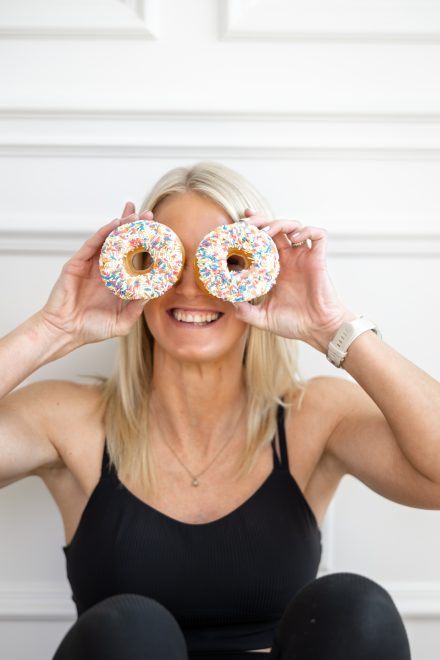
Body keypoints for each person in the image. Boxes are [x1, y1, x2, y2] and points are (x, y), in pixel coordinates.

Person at [1, 161, 439, 660]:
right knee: (131, 629)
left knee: (354, 609)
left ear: (261, 274)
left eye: (224, 263)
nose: (191, 287)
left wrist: (330, 326)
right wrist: (52, 328)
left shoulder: (313, 416)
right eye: (164, 260)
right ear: (136, 270)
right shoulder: (67, 420)